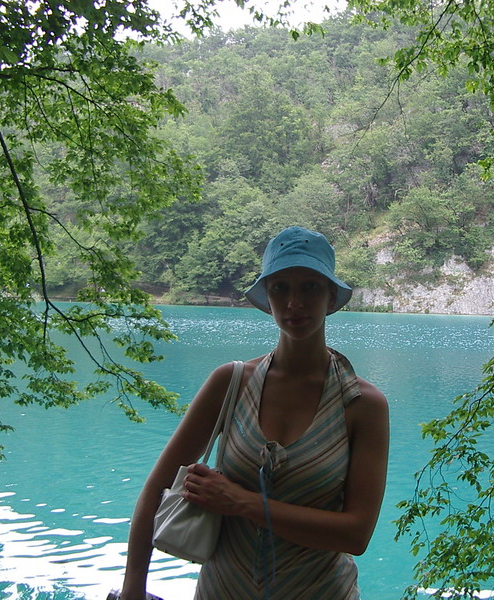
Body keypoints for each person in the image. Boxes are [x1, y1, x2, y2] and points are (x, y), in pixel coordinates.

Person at [119, 226, 390, 600]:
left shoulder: (362, 404)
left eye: (310, 287)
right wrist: (133, 588)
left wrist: (242, 503)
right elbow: (156, 489)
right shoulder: (230, 382)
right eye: (280, 288)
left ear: (331, 297)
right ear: (267, 298)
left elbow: (356, 535)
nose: (293, 302)